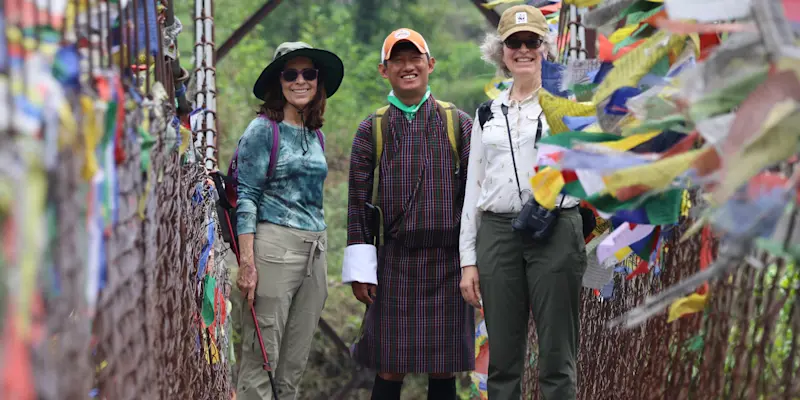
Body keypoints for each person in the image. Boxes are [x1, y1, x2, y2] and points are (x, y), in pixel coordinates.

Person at [459, 5, 588, 400]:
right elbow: (474, 186)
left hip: (556, 227)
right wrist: (467, 260)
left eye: (532, 41)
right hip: (498, 233)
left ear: (544, 47)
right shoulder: (487, 114)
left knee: (556, 357)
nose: (523, 50)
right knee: (503, 360)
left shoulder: (568, 106)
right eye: (514, 43)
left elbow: (592, 169)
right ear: (501, 51)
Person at [342, 28, 475, 400]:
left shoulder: (458, 123)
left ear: (430, 64)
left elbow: (472, 200)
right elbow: (357, 203)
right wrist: (360, 271)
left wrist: (471, 264)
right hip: (394, 260)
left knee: (443, 365)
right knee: (389, 365)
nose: (407, 66)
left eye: (414, 58)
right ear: (384, 70)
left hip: (448, 261)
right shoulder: (373, 128)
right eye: (397, 60)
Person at [235, 41, 344, 400]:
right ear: (278, 82)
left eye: (309, 74)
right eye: (291, 74)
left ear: (318, 82)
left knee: (293, 363)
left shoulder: (316, 135)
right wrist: (247, 263)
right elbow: (247, 197)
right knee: (261, 356)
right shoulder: (264, 130)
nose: (301, 81)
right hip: (274, 247)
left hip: (315, 249)